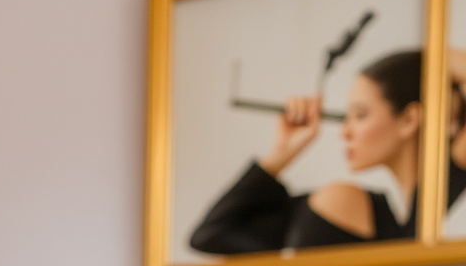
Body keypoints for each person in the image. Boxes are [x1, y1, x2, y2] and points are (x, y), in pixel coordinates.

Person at [189, 49, 466, 254]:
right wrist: (283, 152)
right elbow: (210, 236)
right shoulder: (348, 204)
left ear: (408, 120)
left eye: (360, 115)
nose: (344, 131)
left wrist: (438, 55)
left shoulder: (439, 194)